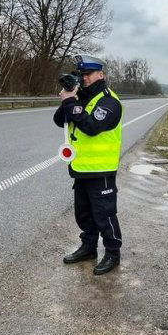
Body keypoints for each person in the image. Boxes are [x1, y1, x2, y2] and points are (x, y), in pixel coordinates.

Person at [53, 55, 123, 275]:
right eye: (81, 74)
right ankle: (88, 248)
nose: (84, 78)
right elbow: (59, 120)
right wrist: (69, 98)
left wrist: (72, 104)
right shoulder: (80, 96)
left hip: (101, 169)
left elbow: (92, 127)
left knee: (105, 215)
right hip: (81, 168)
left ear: (100, 74)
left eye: (88, 74)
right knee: (84, 214)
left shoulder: (109, 101)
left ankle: (113, 253)